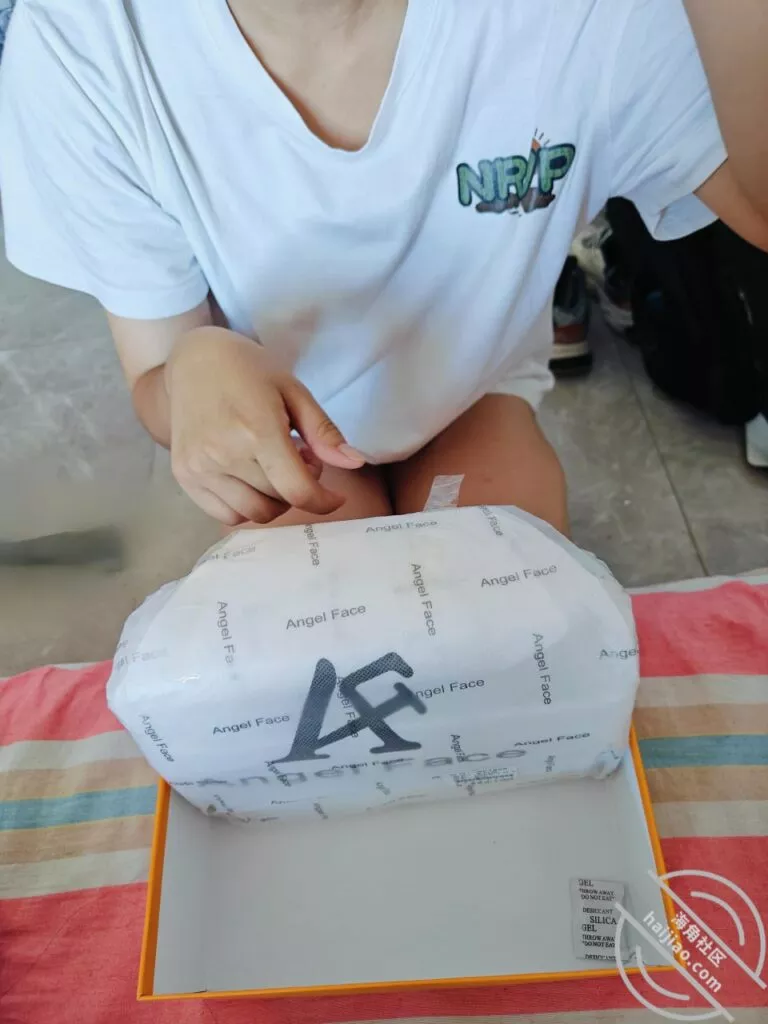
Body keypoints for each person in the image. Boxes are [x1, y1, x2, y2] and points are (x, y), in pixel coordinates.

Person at [1, 0, 766, 539]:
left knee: (496, 631)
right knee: (317, 646)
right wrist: (191, 376)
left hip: (474, 391)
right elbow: (157, 376)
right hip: (285, 432)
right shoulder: (86, 39)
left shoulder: (584, 18)